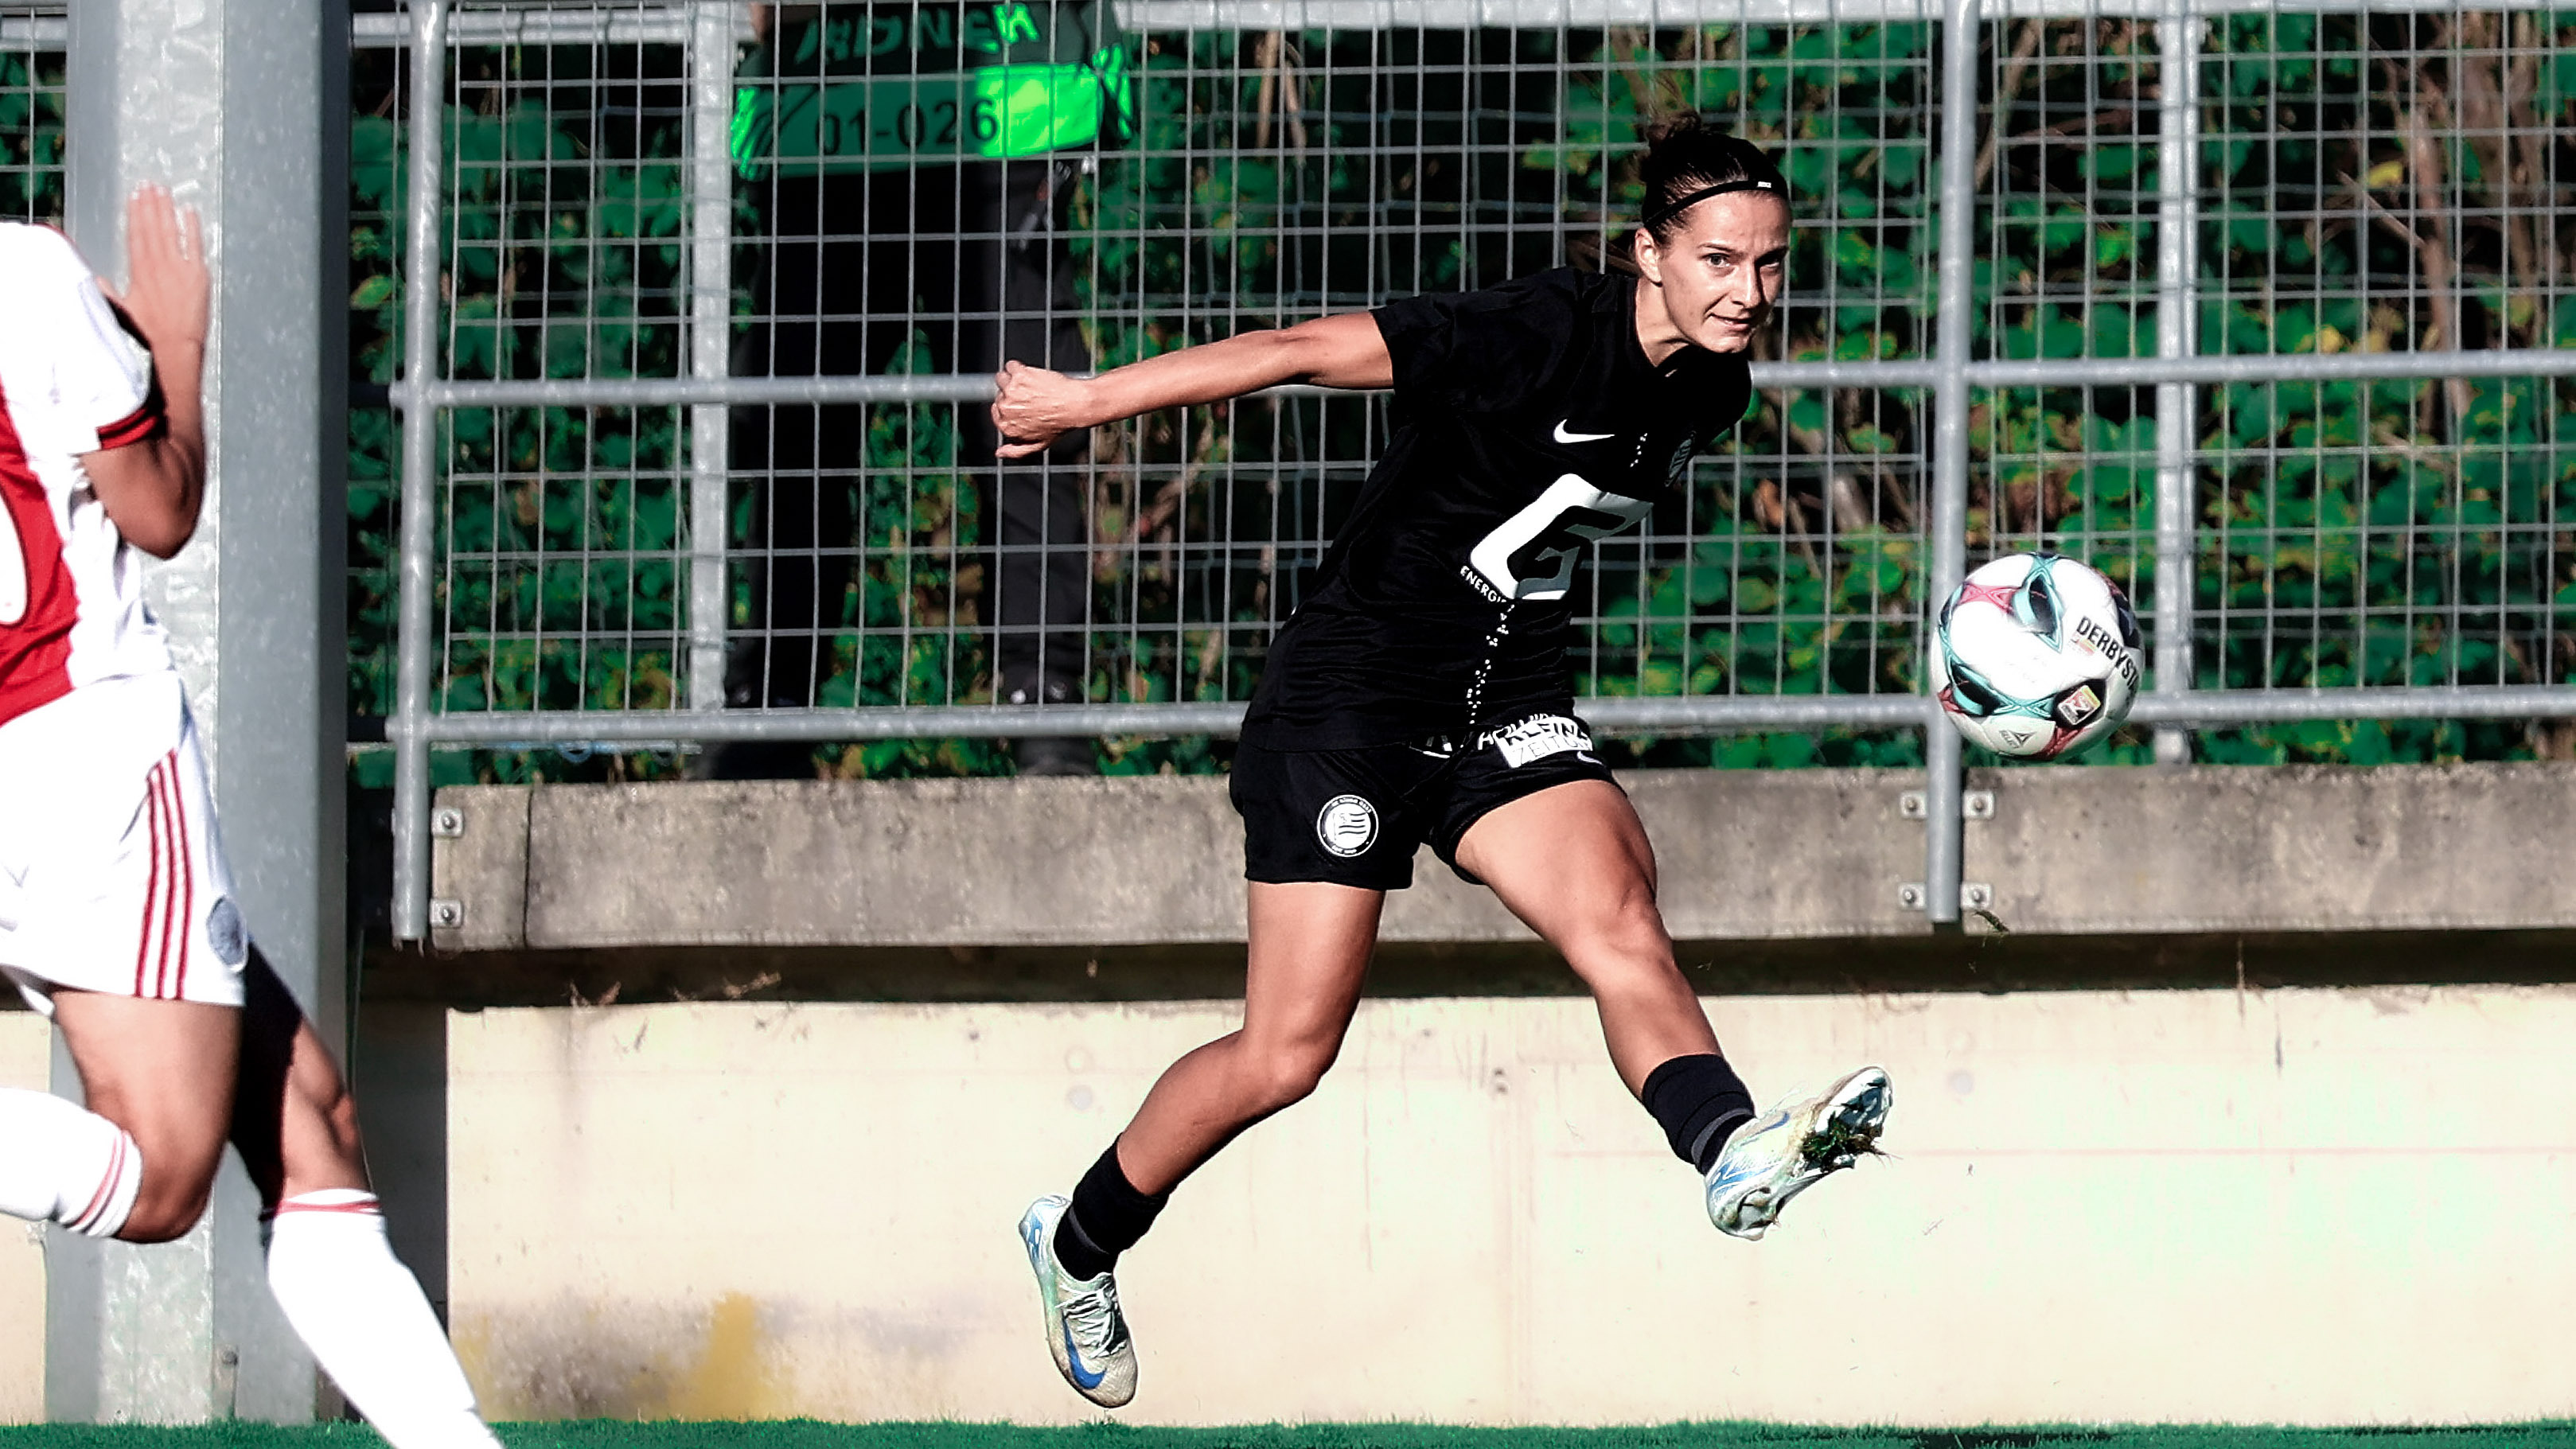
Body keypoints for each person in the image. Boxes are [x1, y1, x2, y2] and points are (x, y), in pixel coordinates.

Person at [992, 120, 1894, 1408]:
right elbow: (1299, 349)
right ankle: (1079, 1243)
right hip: (1349, 700)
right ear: (1648, 253)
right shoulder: (1534, 331)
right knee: (1285, 1053)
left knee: (1620, 917)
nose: (1747, 290)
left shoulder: (1711, 389)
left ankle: (1728, 1152)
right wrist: (1085, 402)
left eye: (1767, 263)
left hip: (1502, 702)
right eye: (1717, 259)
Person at [0, 189, 502, 1449]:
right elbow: (160, 510)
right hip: (90, 759)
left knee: (311, 1120)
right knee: (163, 1173)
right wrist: (176, 346)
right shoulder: (25, 275)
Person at [715, 1, 1134, 777]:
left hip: (1003, 122)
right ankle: (770, 706)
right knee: (795, 431)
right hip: (828, 131)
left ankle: (1042, 699)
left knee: (1027, 419)